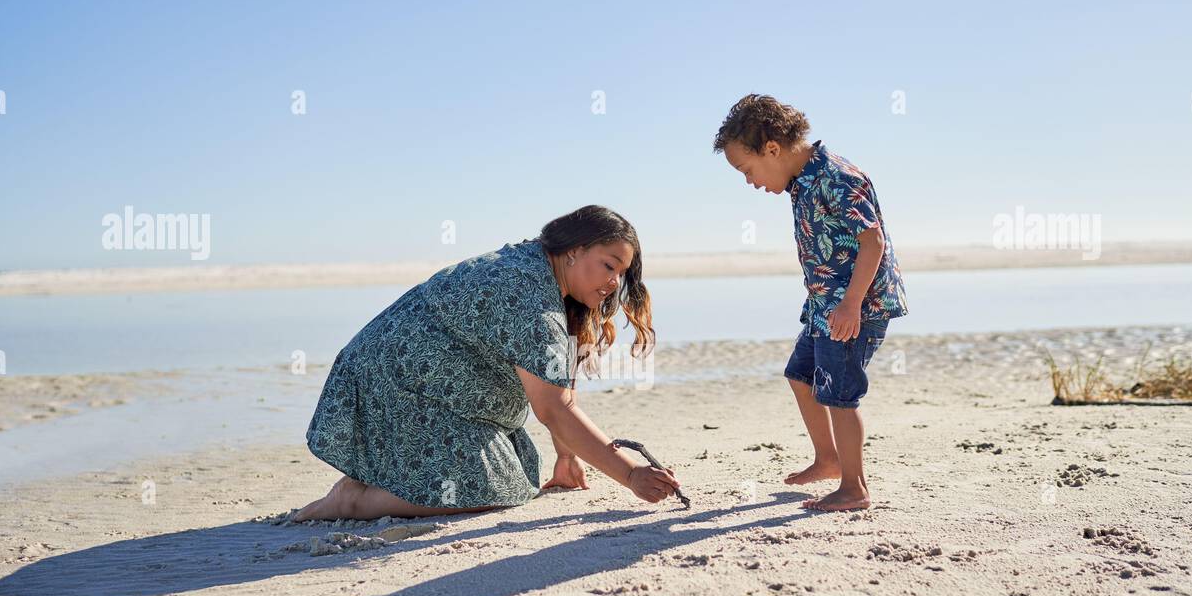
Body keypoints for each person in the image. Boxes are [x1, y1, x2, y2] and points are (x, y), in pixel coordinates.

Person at [292, 205, 681, 522]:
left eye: (622, 273)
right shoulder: (530, 297)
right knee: (488, 487)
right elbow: (555, 408)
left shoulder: (540, 271)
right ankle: (354, 502)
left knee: (518, 470)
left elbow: (558, 381)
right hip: (390, 385)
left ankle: (381, 486)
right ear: (574, 250)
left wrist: (566, 456)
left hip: (424, 389)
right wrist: (630, 474)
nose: (615, 282)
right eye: (609, 266)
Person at [713, 94, 908, 511]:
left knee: (839, 393)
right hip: (825, 305)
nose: (749, 181)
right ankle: (829, 459)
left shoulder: (836, 176)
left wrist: (852, 303)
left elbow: (871, 240)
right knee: (801, 375)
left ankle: (855, 488)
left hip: (856, 307)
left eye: (747, 170)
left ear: (772, 149)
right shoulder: (802, 180)